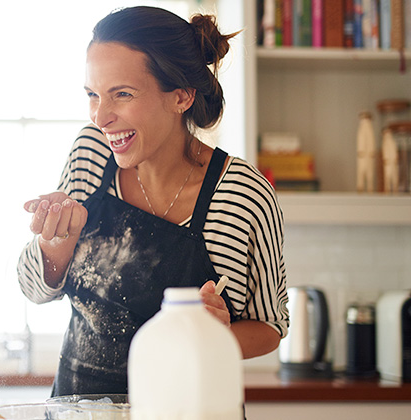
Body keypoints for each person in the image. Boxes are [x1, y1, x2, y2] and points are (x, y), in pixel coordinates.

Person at [17, 6, 288, 397]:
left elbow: (270, 327)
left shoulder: (241, 193)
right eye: (93, 95)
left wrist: (217, 334)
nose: (101, 116)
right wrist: (55, 239)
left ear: (181, 96)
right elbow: (34, 290)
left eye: (121, 95)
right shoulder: (90, 155)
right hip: (80, 409)